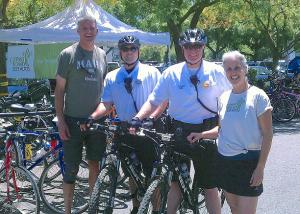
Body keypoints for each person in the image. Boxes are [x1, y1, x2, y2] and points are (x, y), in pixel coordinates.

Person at [132, 28, 231, 214]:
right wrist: (138, 118)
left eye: (197, 46)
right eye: (188, 47)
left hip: (206, 133)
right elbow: (154, 100)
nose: (193, 51)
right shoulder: (171, 73)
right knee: (175, 181)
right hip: (177, 131)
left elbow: (232, 98)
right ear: (182, 48)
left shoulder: (216, 72)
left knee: (209, 187)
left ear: (203, 47)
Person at [82, 35, 167, 214]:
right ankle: (136, 207)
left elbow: (163, 100)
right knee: (131, 170)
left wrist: (152, 118)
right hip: (125, 129)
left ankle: (157, 209)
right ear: (120, 52)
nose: (129, 52)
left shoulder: (151, 73)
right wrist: (92, 116)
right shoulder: (113, 77)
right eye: (125, 49)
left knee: (152, 173)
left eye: (133, 49)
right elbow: (106, 104)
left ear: (138, 51)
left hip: (147, 130)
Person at [188, 50, 273, 214]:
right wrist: (201, 135)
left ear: (245, 69)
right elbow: (221, 129)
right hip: (225, 163)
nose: (233, 72)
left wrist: (260, 167)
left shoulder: (258, 96)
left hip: (248, 163)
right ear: (224, 72)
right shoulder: (223, 97)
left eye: (237, 68)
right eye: (228, 69)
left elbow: (268, 134)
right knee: (234, 209)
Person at [54, 16, 107, 214]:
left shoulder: (102, 55)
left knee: (95, 165)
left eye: (92, 28)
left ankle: (93, 209)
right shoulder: (67, 54)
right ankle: (67, 210)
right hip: (72, 120)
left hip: (96, 121)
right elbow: (59, 90)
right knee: (71, 169)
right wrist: (61, 121)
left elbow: (103, 90)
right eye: (84, 28)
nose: (88, 31)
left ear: (97, 31)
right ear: (78, 31)